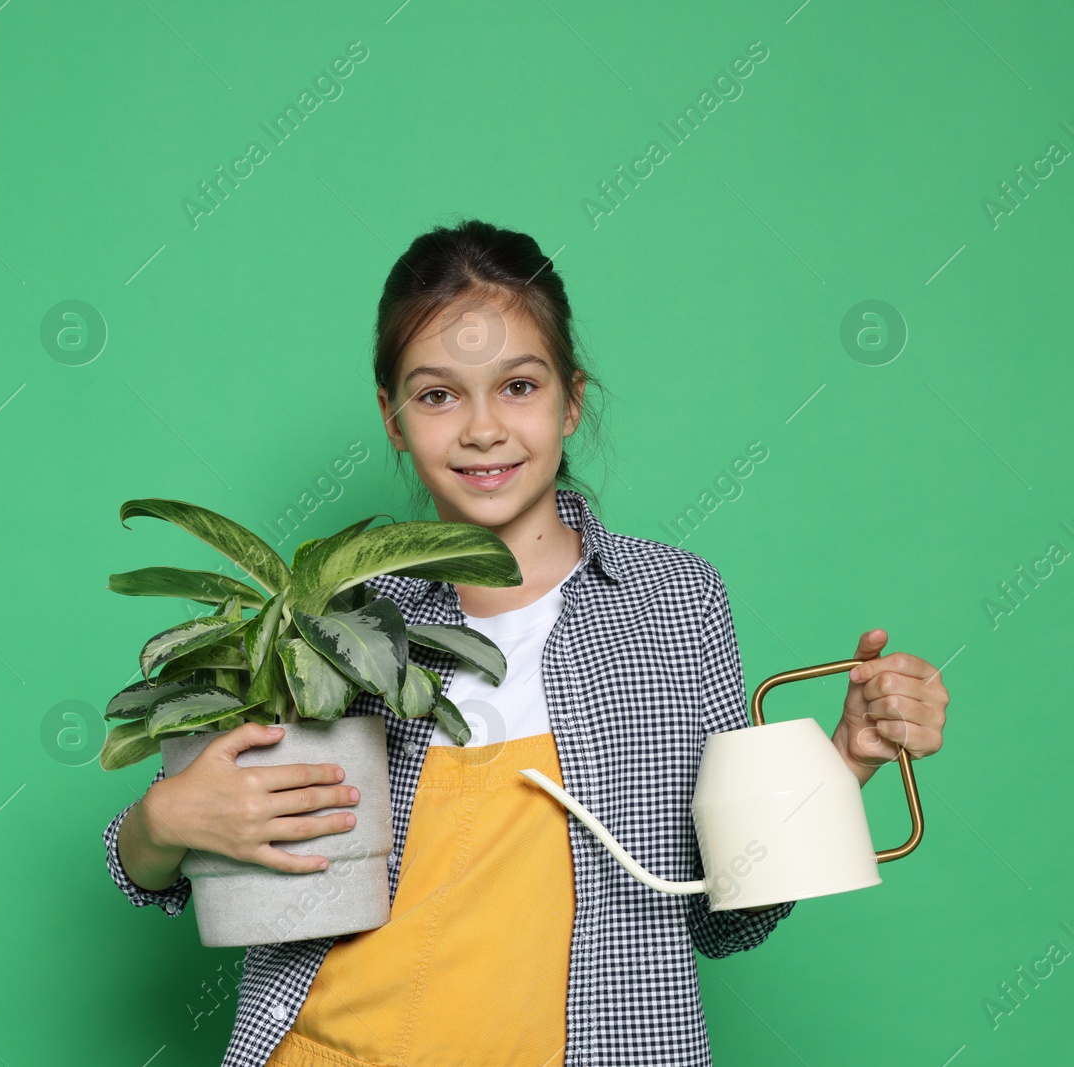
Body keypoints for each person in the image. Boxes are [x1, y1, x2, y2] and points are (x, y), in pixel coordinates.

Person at [102, 218, 949, 1067]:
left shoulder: (676, 605)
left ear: (572, 399)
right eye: (437, 394)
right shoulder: (334, 624)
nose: (482, 429)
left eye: (518, 385)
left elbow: (724, 916)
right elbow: (150, 869)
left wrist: (842, 766)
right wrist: (162, 820)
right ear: (392, 418)